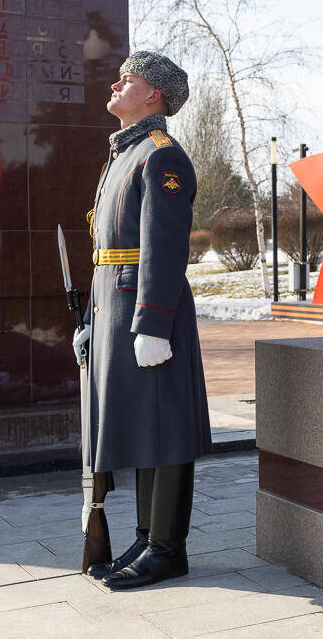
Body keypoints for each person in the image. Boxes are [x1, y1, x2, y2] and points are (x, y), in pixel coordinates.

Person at [72, 50, 211, 590]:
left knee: (166, 428)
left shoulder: (161, 156)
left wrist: (153, 322)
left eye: (127, 79)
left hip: (150, 315)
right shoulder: (123, 155)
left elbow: (164, 246)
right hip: (115, 311)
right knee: (143, 428)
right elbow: (105, 251)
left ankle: (167, 549)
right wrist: (89, 317)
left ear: (153, 94)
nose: (116, 83)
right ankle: (147, 537)